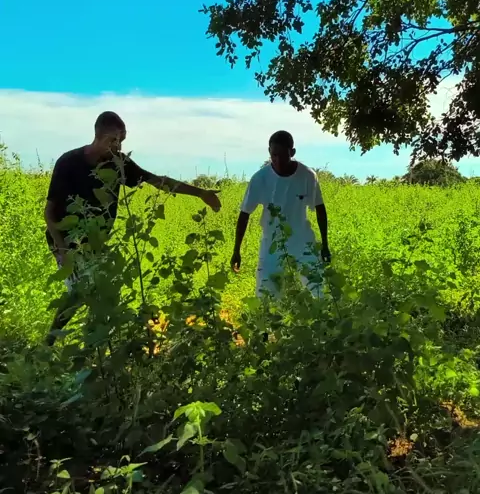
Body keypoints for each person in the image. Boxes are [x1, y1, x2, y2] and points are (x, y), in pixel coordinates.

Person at [45, 111, 221, 345]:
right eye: (114, 140)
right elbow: (49, 212)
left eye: (122, 141)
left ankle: (90, 347)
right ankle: (52, 345)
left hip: (96, 241)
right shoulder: (68, 162)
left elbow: (156, 181)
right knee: (81, 293)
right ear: (99, 136)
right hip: (67, 241)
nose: (118, 146)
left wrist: (200, 193)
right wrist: (62, 249)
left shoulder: (119, 164)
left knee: (98, 293)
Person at [230, 131, 330, 297]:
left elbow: (320, 209)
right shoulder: (260, 179)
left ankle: (323, 312)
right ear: (269, 152)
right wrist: (236, 250)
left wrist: (325, 244)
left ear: (292, 152)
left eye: (283, 155)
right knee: (266, 293)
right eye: (274, 155)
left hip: (303, 241)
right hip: (272, 243)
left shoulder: (308, 176)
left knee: (318, 289)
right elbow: (244, 214)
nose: (278, 160)